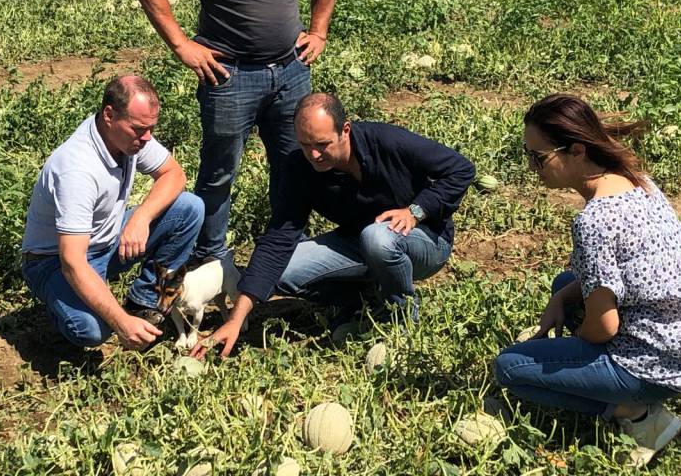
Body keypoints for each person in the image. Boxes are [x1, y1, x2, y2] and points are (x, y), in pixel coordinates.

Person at [493, 93, 681, 466]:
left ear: (577, 151)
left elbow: (604, 327)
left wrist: (578, 353)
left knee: (510, 368)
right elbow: (620, 276)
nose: (532, 168)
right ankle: (625, 392)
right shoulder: (639, 182)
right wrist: (561, 300)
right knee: (564, 285)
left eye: (538, 157)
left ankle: (633, 412)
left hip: (654, 359)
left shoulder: (595, 222)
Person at [135, 0, 337, 264]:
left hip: (290, 70)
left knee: (292, 166)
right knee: (219, 172)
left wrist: (318, 30)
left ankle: (285, 251)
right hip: (228, 76)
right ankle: (210, 256)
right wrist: (182, 45)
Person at [194, 92, 476, 358]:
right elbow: (279, 237)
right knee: (281, 272)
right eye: (305, 145)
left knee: (378, 238)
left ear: (345, 130)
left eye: (322, 144)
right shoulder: (300, 169)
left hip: (425, 240)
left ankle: (401, 316)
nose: (314, 155)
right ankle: (363, 298)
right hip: (360, 242)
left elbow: (461, 169)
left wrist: (415, 211)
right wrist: (237, 317)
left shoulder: (387, 141)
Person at [20, 75, 203, 350]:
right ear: (109, 115)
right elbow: (72, 262)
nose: (147, 138)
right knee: (92, 331)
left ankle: (143, 301)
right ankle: (60, 306)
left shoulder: (129, 138)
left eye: (151, 128)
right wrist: (121, 322)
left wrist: (141, 218)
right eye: (139, 129)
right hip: (56, 261)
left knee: (189, 208)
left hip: (108, 239)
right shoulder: (77, 169)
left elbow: (174, 175)